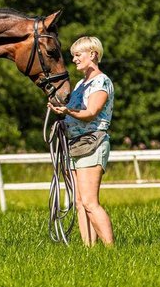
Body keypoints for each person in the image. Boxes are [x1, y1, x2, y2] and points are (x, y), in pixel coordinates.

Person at [48, 36, 115, 247]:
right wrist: (60, 110)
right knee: (78, 202)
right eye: (73, 56)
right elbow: (76, 112)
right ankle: (89, 249)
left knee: (89, 202)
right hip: (75, 144)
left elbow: (92, 112)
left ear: (93, 54)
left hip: (92, 142)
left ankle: (111, 249)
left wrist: (68, 110)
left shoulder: (101, 82)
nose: (74, 59)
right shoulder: (80, 84)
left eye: (78, 55)